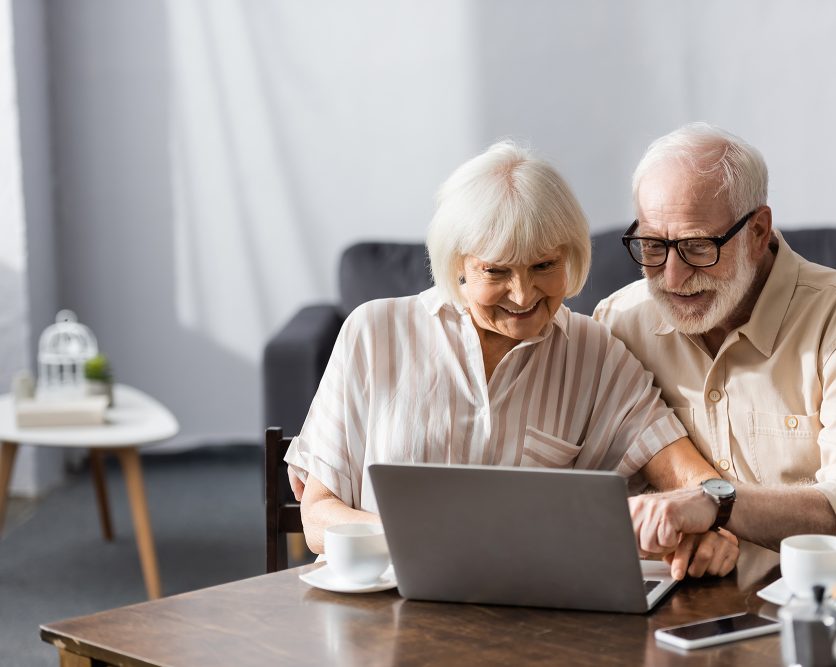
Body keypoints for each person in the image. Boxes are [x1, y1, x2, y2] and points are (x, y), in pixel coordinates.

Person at [285, 140, 738, 580]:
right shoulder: (374, 332)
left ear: (571, 257)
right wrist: (435, 540)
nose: (523, 296)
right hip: (380, 610)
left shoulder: (595, 353)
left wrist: (711, 525)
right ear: (457, 264)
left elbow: (689, 475)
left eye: (543, 266)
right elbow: (319, 519)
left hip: (525, 618)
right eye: (496, 271)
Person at [594, 123, 836, 558]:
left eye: (697, 247)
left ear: (757, 231)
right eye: (653, 246)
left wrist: (716, 503)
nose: (672, 278)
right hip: (705, 603)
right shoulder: (619, 322)